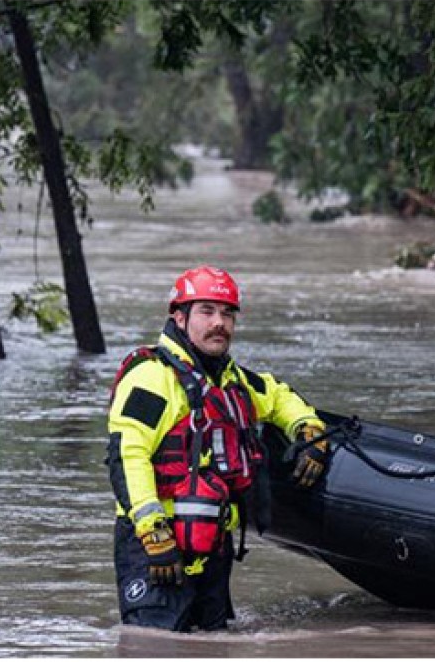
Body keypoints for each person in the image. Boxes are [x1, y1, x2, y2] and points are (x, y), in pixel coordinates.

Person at [105, 265, 333, 632]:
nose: (220, 323)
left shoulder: (232, 380)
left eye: (227, 313)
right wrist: (153, 532)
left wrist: (309, 431)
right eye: (207, 311)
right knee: (152, 646)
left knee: (211, 646)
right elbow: (127, 457)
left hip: (212, 545)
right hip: (155, 545)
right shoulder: (152, 378)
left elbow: (279, 397)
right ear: (179, 318)